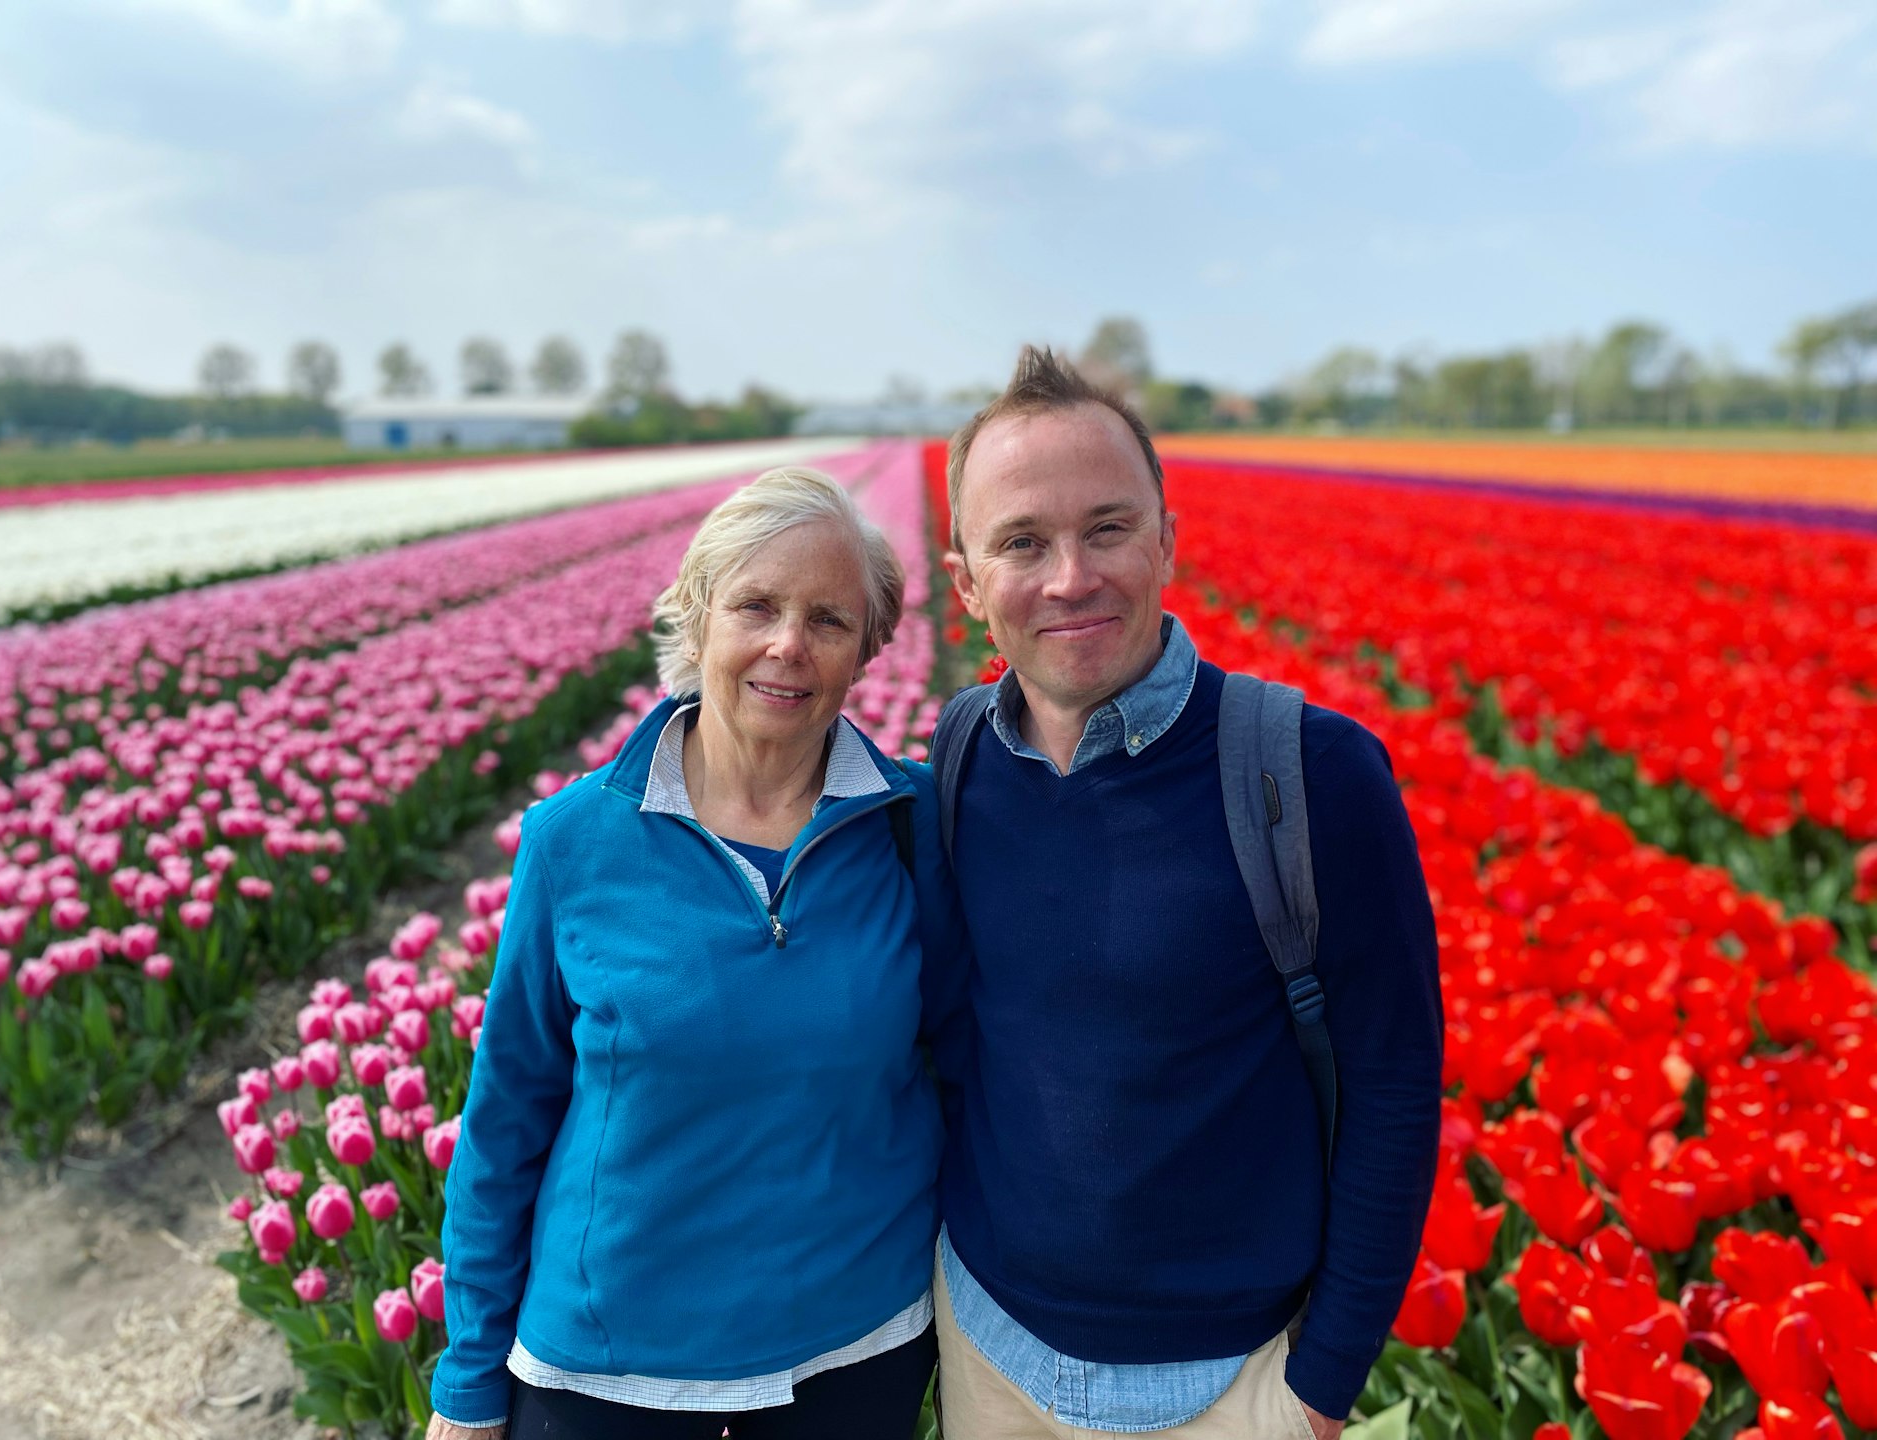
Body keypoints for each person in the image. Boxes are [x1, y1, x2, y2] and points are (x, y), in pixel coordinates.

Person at [931, 347, 1444, 1439]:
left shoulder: (1311, 772)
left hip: (1225, 1385)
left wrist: (1320, 1388)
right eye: (1023, 542)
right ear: (968, 583)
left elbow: (1396, 1085)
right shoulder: (963, 754)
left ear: (1167, 537)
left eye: (1108, 527)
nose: (1071, 575)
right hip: (986, 1345)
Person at [426, 467, 962, 1440]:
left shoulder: (910, 825)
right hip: (610, 1364)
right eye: (756, 604)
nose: (787, 645)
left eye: (829, 620)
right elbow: (505, 1119)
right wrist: (467, 1384)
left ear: (868, 650)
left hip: (855, 1352)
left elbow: (966, 1066)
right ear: (697, 613)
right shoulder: (575, 840)